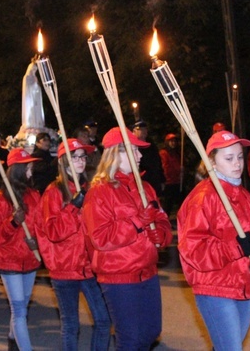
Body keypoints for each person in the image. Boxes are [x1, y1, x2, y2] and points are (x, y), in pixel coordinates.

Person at [178, 130, 250, 350]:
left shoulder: (246, 197)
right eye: (228, 158)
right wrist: (234, 247)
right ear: (212, 161)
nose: (237, 163)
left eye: (240, 156)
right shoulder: (203, 198)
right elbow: (193, 250)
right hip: (214, 287)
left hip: (244, 284)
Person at [82, 127, 172, 351]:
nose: (140, 156)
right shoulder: (99, 192)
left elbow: (162, 220)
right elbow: (100, 238)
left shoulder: (145, 187)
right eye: (133, 150)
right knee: (130, 340)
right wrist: (136, 223)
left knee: (151, 331)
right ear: (115, 154)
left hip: (148, 272)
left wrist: (161, 235)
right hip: (119, 277)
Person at [38, 139, 111, 351]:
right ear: (64, 161)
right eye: (76, 156)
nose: (80, 160)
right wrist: (73, 207)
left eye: (83, 156)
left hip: (88, 267)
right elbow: (53, 232)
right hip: (64, 268)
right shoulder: (54, 191)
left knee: (103, 321)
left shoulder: (89, 188)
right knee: (71, 325)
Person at [0, 147, 42, 351]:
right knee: (18, 310)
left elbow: (41, 225)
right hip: (9, 261)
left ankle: (12, 340)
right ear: (18, 170)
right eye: (28, 167)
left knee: (22, 307)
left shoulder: (34, 196)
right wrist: (12, 223)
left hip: (30, 260)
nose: (31, 171)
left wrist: (39, 242)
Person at [132, 120, 166, 195]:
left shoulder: (151, 145)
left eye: (145, 129)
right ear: (134, 131)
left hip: (154, 180)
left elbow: (158, 163)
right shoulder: (132, 146)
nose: (144, 131)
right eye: (141, 129)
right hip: (142, 181)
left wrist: (162, 179)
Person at [159, 133, 182, 217]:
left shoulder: (177, 153)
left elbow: (178, 165)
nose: (173, 143)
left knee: (181, 202)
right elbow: (165, 168)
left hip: (177, 181)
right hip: (169, 182)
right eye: (171, 141)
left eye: (174, 141)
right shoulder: (164, 153)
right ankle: (165, 221)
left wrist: (181, 170)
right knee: (167, 204)